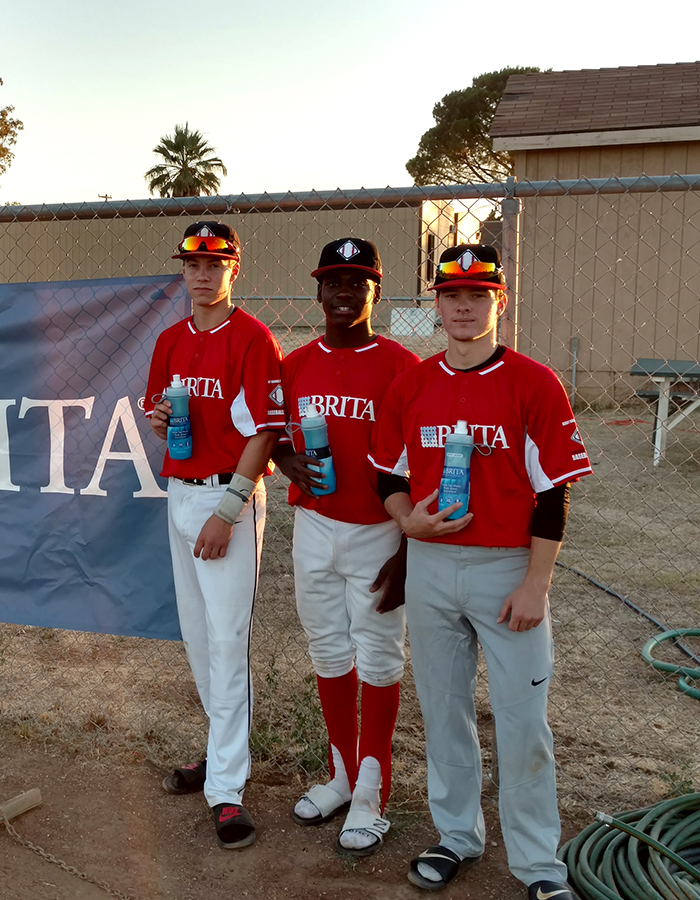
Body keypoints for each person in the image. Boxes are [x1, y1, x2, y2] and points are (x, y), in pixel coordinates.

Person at [370, 245, 590, 900]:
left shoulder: (533, 381)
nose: (464, 307)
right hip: (433, 567)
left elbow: (553, 493)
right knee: (444, 711)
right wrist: (407, 520)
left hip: (507, 570)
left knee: (524, 723)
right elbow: (388, 473)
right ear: (435, 305)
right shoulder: (412, 382)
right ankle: (457, 835)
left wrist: (536, 583)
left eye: (478, 295)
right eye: (452, 295)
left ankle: (538, 863)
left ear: (501, 302)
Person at [273, 238, 419, 857]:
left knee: (379, 653)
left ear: (375, 292)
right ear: (318, 292)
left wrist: (410, 548)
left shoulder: (401, 366)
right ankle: (340, 773)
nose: (343, 293)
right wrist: (287, 464)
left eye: (357, 283)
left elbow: (424, 464)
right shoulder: (297, 362)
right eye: (333, 282)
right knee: (328, 647)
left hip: (379, 530)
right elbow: (274, 437)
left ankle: (372, 790)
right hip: (315, 525)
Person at [145, 221, 285, 850]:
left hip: (226, 496)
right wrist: (160, 420)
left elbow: (265, 431)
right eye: (193, 265)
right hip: (179, 491)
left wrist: (228, 510)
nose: (203, 275)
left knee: (229, 642)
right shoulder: (171, 339)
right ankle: (219, 749)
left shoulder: (253, 339)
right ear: (183, 271)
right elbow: (160, 420)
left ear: (235, 270)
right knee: (199, 639)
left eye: (215, 264)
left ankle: (227, 790)